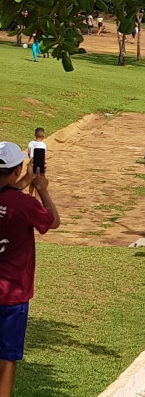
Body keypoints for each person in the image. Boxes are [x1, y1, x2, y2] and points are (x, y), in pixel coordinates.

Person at [0, 142, 60, 397]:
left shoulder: (15, 197)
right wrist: (42, 189)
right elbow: (53, 222)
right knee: (6, 357)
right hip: (13, 293)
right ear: (17, 170)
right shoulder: (24, 204)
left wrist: (26, 181)